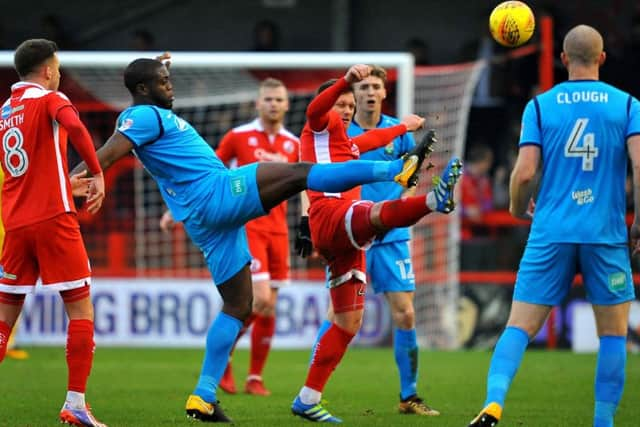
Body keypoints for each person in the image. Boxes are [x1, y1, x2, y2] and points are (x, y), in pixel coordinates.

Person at [70, 58, 433, 423]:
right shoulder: (144, 115)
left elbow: (127, 126)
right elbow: (106, 153)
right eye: (163, 82)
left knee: (239, 305)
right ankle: (394, 170)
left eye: (169, 79)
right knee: (300, 174)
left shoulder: (149, 112)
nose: (171, 86)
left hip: (204, 220)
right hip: (217, 191)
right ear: (143, 90)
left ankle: (204, 395)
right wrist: (74, 180)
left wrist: (157, 67)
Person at [469, 25, 640, 427]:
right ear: (601, 58)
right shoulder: (629, 105)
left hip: (550, 231)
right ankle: (603, 422)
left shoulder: (540, 106)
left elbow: (525, 172)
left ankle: (493, 403)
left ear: (563, 60)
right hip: (605, 234)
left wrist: (515, 207)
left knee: (518, 327)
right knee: (613, 335)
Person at [291, 71, 463, 423]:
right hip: (330, 214)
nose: (345, 110)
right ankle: (430, 198)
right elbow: (316, 108)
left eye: (349, 106)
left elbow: (374, 138)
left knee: (347, 322)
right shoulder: (317, 128)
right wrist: (343, 82)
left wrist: (404, 127)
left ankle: (307, 399)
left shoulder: (348, 143)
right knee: (374, 210)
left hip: (348, 240)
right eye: (342, 104)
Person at [0, 39, 106, 426]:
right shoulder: (50, 99)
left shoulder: (4, 111)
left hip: (15, 224)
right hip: (53, 220)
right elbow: (75, 125)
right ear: (47, 70)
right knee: (80, 308)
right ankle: (76, 403)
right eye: (57, 66)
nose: (58, 73)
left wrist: (63, 181)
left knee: (3, 320)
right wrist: (95, 172)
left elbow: (26, 170)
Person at [346, 64, 438, 416]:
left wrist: (396, 205)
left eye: (375, 87)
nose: (370, 92)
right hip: (352, 233)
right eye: (364, 86)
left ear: (385, 93)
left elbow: (409, 178)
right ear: (354, 93)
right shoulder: (344, 133)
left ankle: (409, 396)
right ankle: (312, 393)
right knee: (341, 319)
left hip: (391, 235)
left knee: (406, 314)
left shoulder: (397, 133)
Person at [209, 77, 305, 396]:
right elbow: (212, 173)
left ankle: (254, 377)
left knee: (270, 306)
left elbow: (305, 182)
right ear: (258, 104)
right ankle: (223, 360)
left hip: (279, 229)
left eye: (279, 99)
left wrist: (307, 221)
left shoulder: (294, 144)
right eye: (268, 99)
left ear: (287, 104)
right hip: (248, 226)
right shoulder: (238, 137)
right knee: (258, 299)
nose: (274, 104)